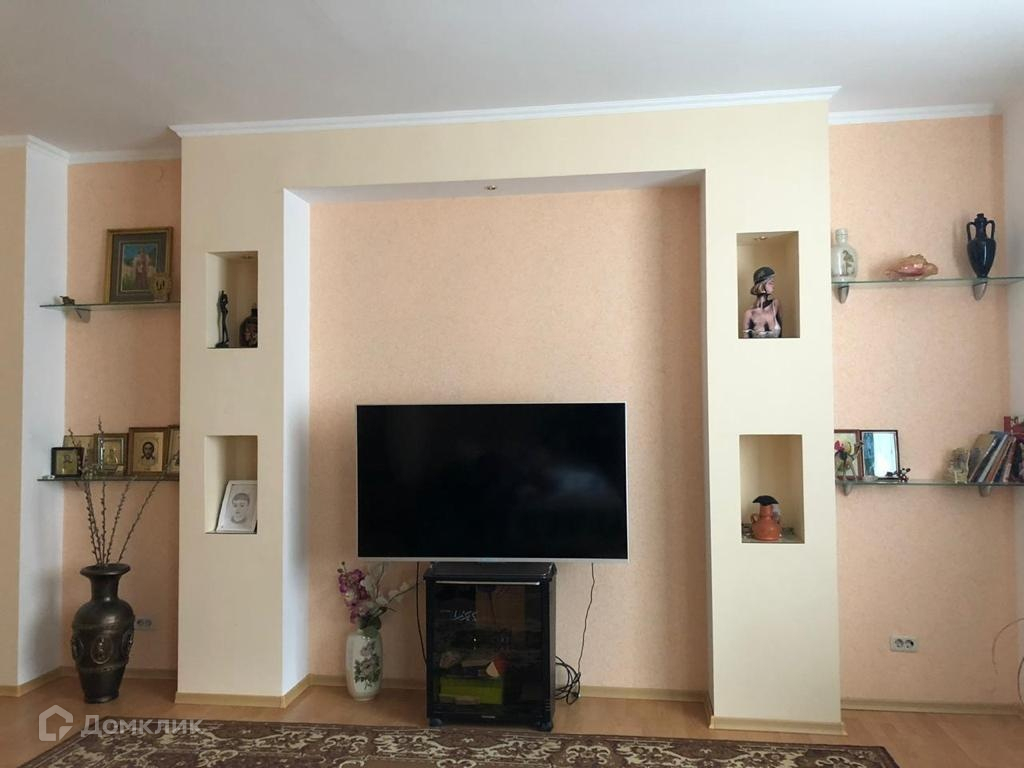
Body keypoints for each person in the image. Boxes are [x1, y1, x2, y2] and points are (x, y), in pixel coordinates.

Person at [741, 266, 782, 338]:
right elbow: (746, 341)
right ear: (762, 285)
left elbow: (781, 337)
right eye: (770, 283)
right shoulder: (749, 313)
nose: (773, 286)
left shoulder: (775, 305)